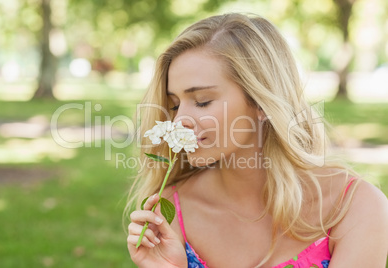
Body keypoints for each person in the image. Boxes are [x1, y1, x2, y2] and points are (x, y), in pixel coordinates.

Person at [126, 13, 388, 267]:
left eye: (202, 101)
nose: (179, 120)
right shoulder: (167, 210)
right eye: (173, 105)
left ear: (262, 103)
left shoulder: (354, 207)